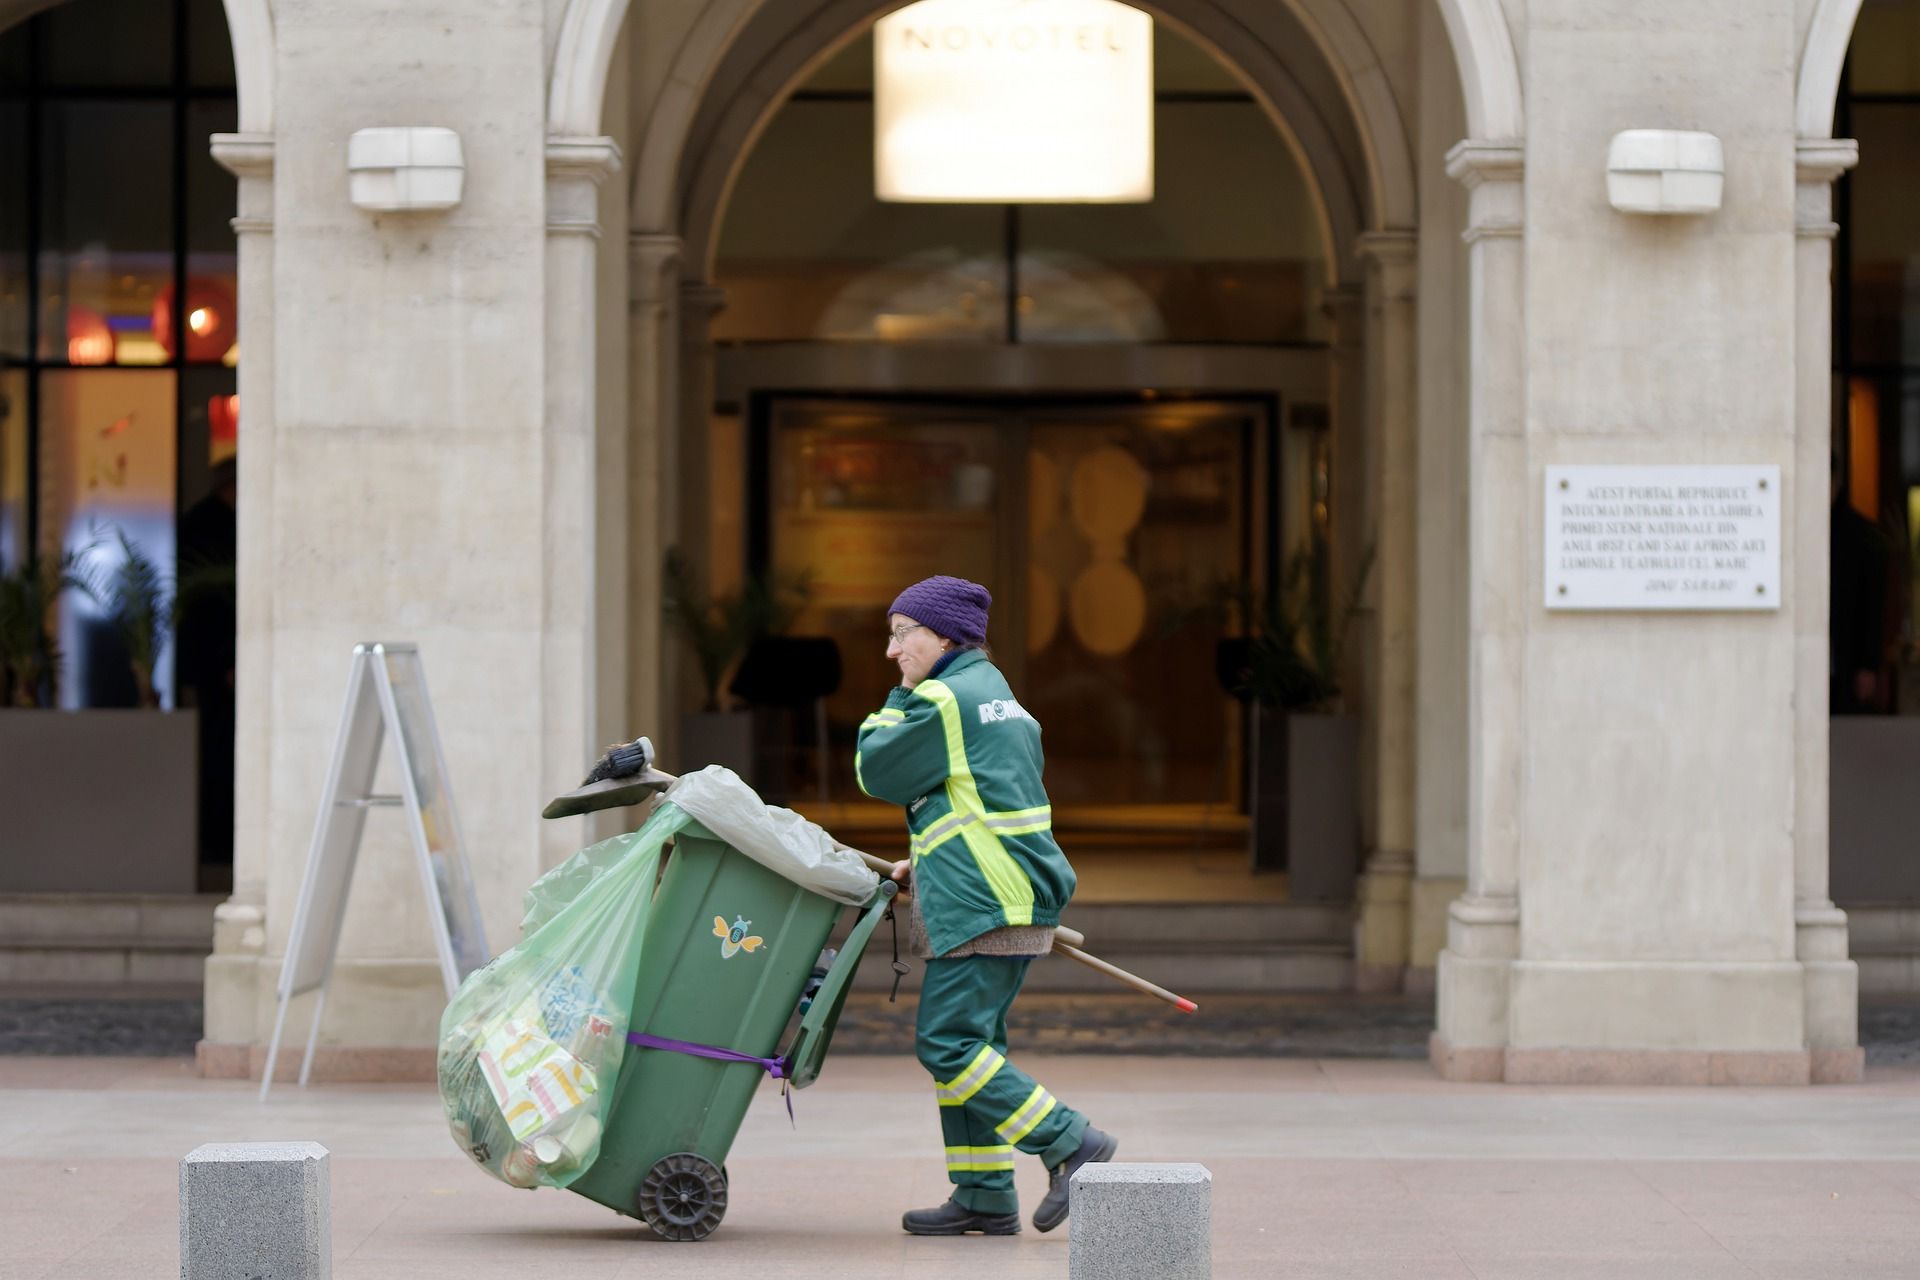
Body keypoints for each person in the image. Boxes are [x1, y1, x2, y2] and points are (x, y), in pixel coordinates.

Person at [854, 574, 1117, 1237]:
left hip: (982, 902)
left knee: (946, 1044)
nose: (893, 653)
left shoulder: (942, 697)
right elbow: (977, 796)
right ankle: (984, 1193)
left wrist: (896, 698)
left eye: (901, 635)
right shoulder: (993, 693)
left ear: (942, 635)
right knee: (974, 1048)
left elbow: (876, 769)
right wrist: (935, 858)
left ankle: (1070, 1143)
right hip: (1003, 891)